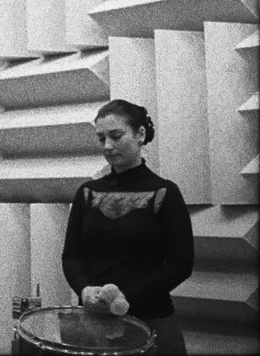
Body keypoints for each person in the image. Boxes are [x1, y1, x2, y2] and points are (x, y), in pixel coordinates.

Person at [61, 99, 194, 356]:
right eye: (101, 138)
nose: (107, 146)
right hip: (94, 322)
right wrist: (84, 290)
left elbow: (180, 264)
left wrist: (126, 298)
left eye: (116, 136)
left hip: (152, 320)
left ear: (140, 134)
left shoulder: (165, 192)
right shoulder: (87, 192)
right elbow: (72, 256)